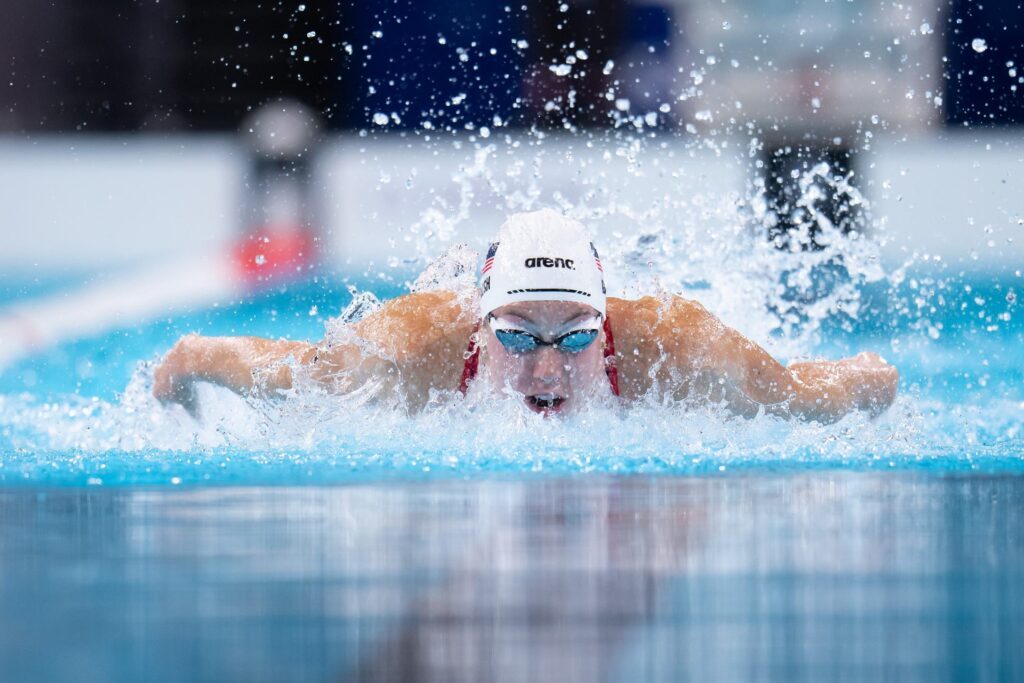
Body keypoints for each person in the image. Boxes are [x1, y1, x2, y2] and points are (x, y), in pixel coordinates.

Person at [153, 209, 899, 421]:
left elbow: (806, 392)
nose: (547, 368)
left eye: (575, 336)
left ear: (606, 326)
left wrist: (870, 378)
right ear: (480, 329)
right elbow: (288, 370)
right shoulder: (407, 350)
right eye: (516, 335)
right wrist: (190, 359)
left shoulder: (676, 345)